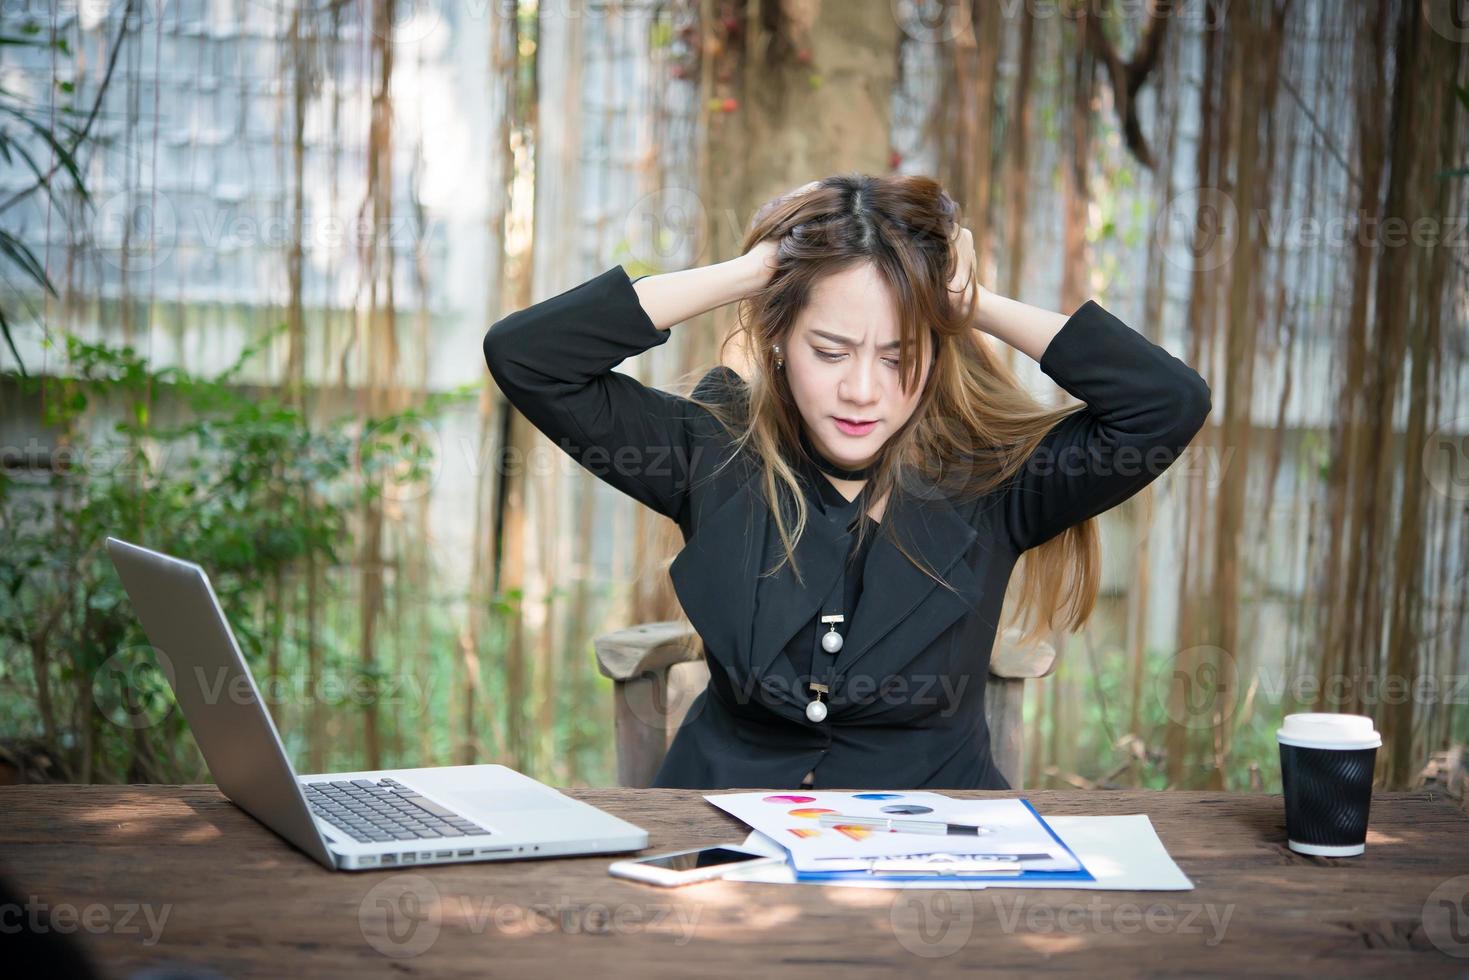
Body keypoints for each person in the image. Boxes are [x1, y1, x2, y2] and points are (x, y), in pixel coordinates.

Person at [483, 173, 1211, 790]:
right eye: (829, 351)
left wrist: (969, 302)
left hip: (929, 848)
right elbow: (528, 356)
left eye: (899, 356)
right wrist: (756, 272)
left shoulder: (994, 480)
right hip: (723, 833)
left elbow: (1165, 403)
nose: (862, 390)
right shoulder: (715, 451)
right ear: (777, 341)